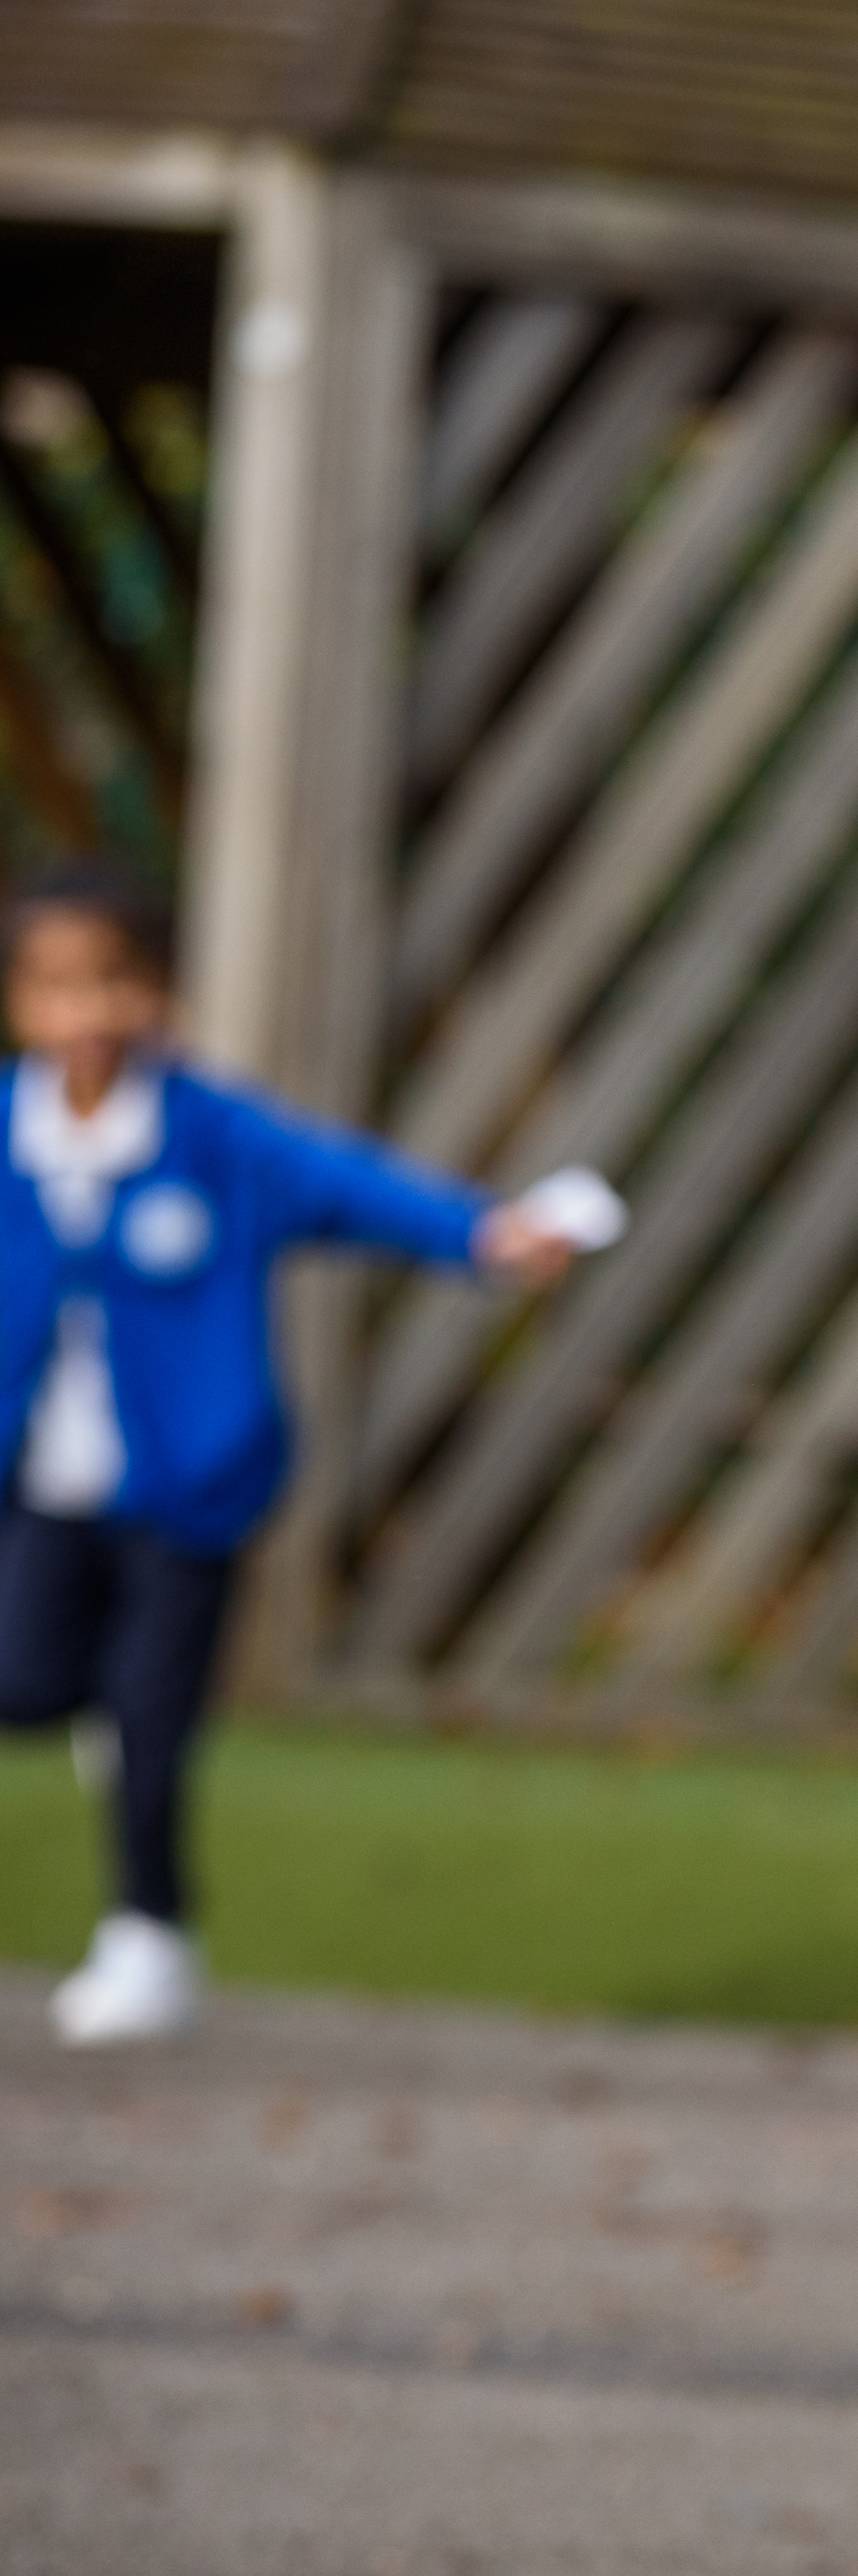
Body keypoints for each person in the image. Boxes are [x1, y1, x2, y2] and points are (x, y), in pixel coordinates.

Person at [5, 860, 585, 2047]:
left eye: (114, 983)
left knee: (155, 1726)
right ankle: (96, 1703)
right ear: (20, 1003)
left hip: (191, 1488)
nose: (88, 1014)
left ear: (157, 993)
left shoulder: (212, 1137)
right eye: (57, 988)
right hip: (41, 1481)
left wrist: (481, 1234)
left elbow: (345, 1186)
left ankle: (150, 1938)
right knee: (24, 1681)